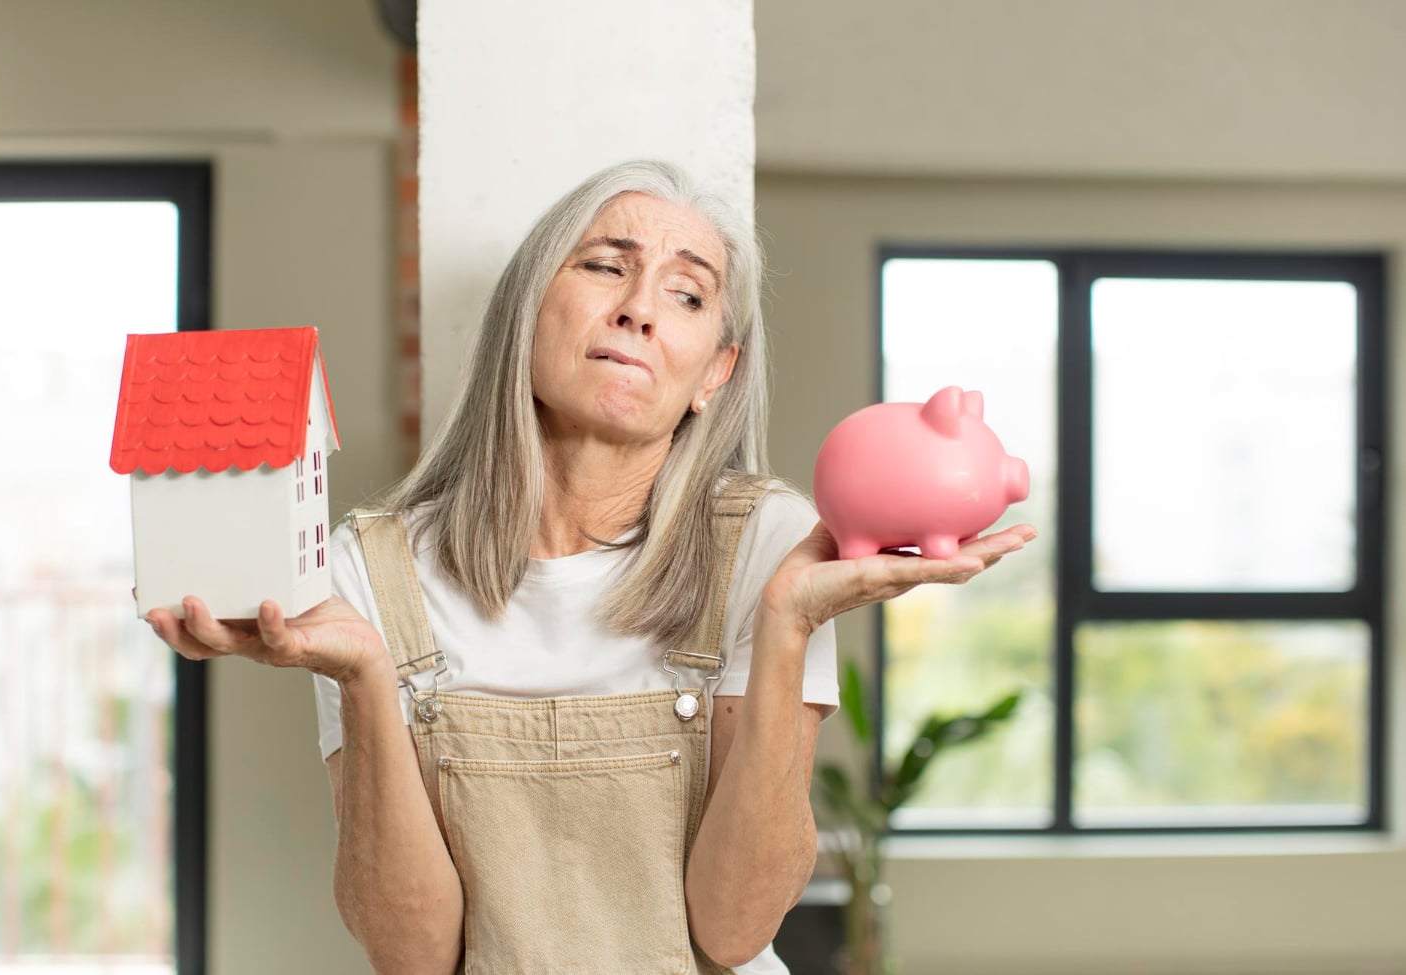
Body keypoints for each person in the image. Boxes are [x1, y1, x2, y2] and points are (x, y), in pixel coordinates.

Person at [145, 160, 1034, 975]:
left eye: (687, 295)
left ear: (713, 374)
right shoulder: (370, 569)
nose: (640, 308)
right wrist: (370, 675)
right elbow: (413, 952)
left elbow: (733, 927)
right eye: (606, 267)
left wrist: (788, 624)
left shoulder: (768, 545)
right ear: (528, 308)